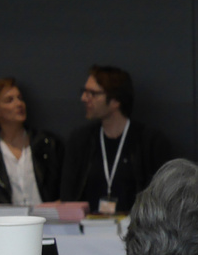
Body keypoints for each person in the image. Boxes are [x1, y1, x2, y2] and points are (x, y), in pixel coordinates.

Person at [61, 65, 176, 213]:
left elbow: (164, 198)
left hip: (136, 231)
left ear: (115, 100)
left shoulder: (150, 142)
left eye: (92, 94)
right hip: (86, 231)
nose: (84, 98)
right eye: (84, 92)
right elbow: (68, 195)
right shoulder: (80, 141)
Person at [0, 78, 63, 205]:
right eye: (9, 100)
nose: (19, 104)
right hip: (6, 222)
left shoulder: (48, 143)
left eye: (20, 98)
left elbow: (67, 192)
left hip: (47, 221)